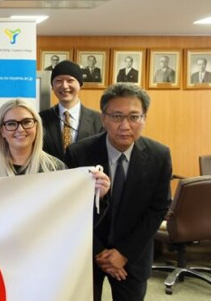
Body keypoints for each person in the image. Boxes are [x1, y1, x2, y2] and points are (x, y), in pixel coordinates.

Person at [65, 83, 172, 301]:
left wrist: (124, 253)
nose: (125, 125)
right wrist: (100, 254)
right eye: (116, 116)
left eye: (134, 117)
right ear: (103, 118)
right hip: (87, 253)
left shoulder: (159, 155)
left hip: (133, 255)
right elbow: (71, 211)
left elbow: (158, 208)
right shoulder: (78, 154)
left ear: (144, 119)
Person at [39, 60, 103, 160]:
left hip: (87, 175)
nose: (64, 86)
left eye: (70, 80)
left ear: (80, 84)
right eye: (58, 81)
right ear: (52, 86)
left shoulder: (99, 119)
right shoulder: (41, 118)